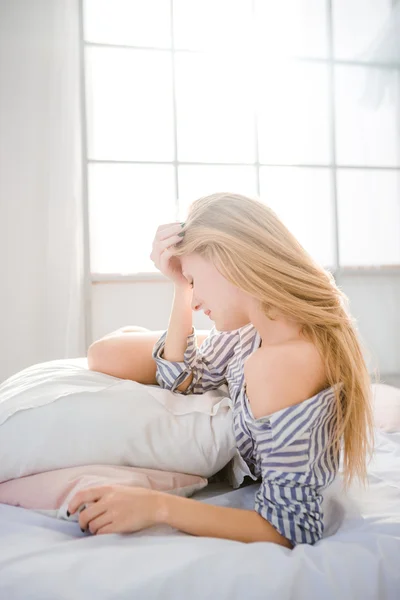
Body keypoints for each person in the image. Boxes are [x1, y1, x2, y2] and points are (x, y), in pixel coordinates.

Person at [68, 192, 374, 549]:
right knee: (111, 349)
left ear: (231, 261)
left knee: (121, 347)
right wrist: (181, 286)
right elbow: (179, 378)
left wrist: (158, 507)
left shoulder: (281, 364)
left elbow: (289, 527)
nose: (195, 303)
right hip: (243, 345)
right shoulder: (253, 331)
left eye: (195, 281)